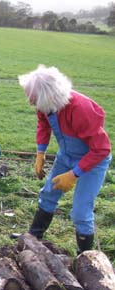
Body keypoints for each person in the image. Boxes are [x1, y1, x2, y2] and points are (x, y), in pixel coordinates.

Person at [18, 65, 112, 253]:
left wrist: (74, 174)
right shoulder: (45, 105)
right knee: (48, 193)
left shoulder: (80, 109)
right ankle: (33, 238)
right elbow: (43, 125)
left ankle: (86, 257)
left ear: (47, 95)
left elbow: (101, 149)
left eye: (33, 97)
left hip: (92, 162)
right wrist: (40, 153)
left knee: (80, 212)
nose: (30, 102)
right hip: (66, 156)